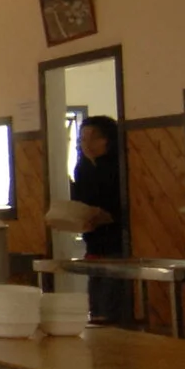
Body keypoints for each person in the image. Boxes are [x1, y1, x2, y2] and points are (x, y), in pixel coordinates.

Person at [68, 115, 130, 327]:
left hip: (118, 246)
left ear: (109, 140)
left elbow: (124, 208)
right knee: (95, 307)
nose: (87, 144)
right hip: (94, 245)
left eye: (94, 138)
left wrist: (107, 216)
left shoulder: (120, 167)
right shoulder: (82, 169)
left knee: (111, 306)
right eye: (82, 139)